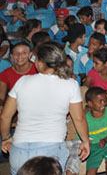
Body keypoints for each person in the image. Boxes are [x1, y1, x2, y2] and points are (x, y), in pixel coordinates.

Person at [0, 43, 89, 175]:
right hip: (50, 150)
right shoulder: (70, 84)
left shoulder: (23, 81)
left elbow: (5, 116)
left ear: (40, 63)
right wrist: (85, 141)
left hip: (19, 149)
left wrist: (6, 138)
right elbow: (79, 118)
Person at [84, 87, 107, 175]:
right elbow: (82, 135)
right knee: (90, 172)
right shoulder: (85, 119)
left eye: (105, 100)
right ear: (90, 104)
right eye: (100, 101)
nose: (103, 103)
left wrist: (105, 139)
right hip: (94, 146)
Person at [0, 41, 37, 107]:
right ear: (12, 56)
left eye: (24, 53)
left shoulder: (38, 69)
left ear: (30, 55)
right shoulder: (5, 74)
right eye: (16, 53)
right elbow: (1, 97)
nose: (19, 56)